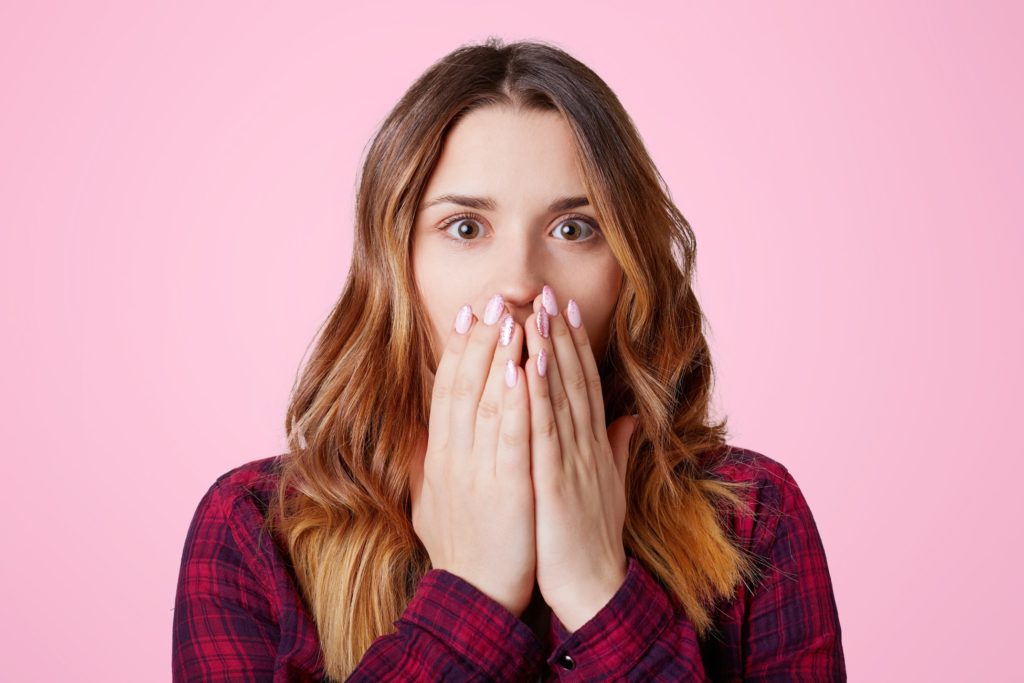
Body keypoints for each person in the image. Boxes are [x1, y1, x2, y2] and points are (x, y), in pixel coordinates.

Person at [172, 37, 846, 682]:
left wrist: (597, 589)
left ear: (628, 266)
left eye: (574, 229)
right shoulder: (256, 530)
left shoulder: (755, 516)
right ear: (397, 266)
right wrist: (470, 593)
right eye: (466, 228)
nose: (520, 281)